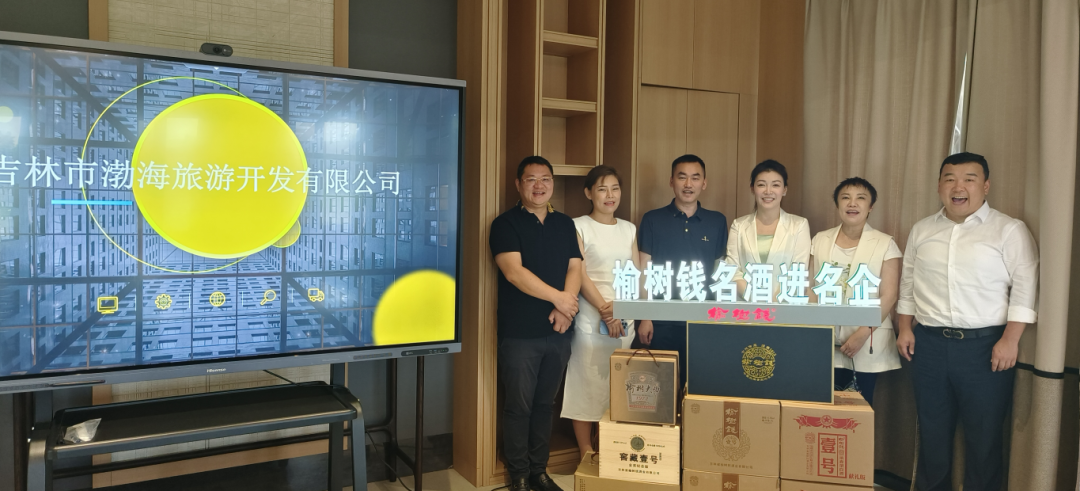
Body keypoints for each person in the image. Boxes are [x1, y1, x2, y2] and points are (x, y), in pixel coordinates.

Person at [895, 152, 1038, 491]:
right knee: (932, 432)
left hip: (985, 348)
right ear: (939, 186)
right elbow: (908, 283)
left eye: (969, 179)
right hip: (928, 345)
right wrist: (904, 328)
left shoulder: (1009, 229)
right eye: (950, 179)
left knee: (984, 437)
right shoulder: (922, 229)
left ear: (985, 186)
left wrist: (1010, 340)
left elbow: (1025, 287)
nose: (958, 187)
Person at [490, 156, 582, 491]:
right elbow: (514, 272)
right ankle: (518, 475)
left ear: (553, 183)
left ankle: (539, 471)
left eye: (545, 179)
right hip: (520, 333)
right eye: (531, 179)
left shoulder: (564, 223)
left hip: (559, 331)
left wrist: (565, 309)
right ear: (518, 184)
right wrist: (559, 299)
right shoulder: (505, 224)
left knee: (545, 405)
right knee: (519, 406)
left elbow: (575, 267)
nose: (539, 185)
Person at [561, 165, 638, 457]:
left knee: (617, 385)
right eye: (602, 189)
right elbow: (578, 272)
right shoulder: (578, 225)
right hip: (591, 315)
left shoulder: (629, 228)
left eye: (615, 188)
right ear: (588, 193)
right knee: (587, 383)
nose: (610, 195)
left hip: (624, 314)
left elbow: (635, 273)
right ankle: (586, 451)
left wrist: (621, 309)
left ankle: (611, 449)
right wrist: (606, 311)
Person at [637, 154, 728, 389]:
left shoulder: (717, 221)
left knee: (700, 389)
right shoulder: (652, 219)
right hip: (661, 322)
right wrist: (645, 316)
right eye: (682, 177)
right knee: (662, 389)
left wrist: (719, 319)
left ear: (704, 183)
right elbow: (644, 269)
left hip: (702, 321)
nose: (688, 184)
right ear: (671, 181)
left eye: (695, 178)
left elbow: (720, 273)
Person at [809, 177, 901, 406]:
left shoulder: (885, 243)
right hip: (824, 340)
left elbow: (889, 295)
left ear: (870, 206)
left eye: (860, 198)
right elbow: (809, 287)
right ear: (837, 204)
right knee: (821, 408)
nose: (852, 203)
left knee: (857, 410)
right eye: (845, 198)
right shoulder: (820, 239)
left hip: (867, 340)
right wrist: (819, 331)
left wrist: (862, 334)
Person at [726, 159, 811, 299]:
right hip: (747, 305)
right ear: (752, 189)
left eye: (775, 185)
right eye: (761, 185)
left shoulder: (799, 225)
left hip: (784, 305)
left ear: (784, 190)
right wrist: (755, 299)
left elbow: (798, 271)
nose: (768, 191)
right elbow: (732, 270)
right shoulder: (738, 225)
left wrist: (774, 303)